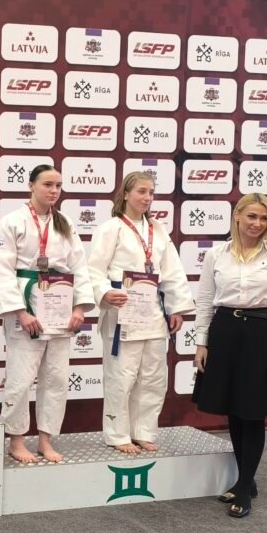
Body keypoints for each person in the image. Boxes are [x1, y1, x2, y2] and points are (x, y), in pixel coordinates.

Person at [192, 192, 267, 519]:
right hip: (224, 332)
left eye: (264, 218)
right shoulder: (216, 254)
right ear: (237, 216)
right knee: (234, 411)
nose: (257, 223)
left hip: (259, 335)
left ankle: (245, 486)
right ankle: (244, 480)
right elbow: (205, 300)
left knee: (253, 412)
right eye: (251, 216)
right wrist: (202, 343)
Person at [0, 164, 94, 462]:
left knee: (56, 378)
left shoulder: (65, 223)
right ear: (31, 186)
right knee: (21, 378)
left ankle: (45, 440)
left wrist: (79, 307)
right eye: (48, 184)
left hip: (59, 304)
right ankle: (17, 440)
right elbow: (1, 270)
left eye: (58, 185)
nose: (54, 190)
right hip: (27, 304)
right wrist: (20, 312)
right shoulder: (12, 222)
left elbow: (79, 266)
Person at [87, 172, 194, 454]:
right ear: (126, 194)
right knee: (121, 377)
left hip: (153, 313)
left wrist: (176, 307)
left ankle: (143, 431)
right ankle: (118, 434)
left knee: (153, 377)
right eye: (141, 192)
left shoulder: (157, 229)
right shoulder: (111, 228)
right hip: (122, 313)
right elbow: (93, 269)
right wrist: (104, 293)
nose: (147, 198)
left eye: (151, 192)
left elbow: (172, 270)